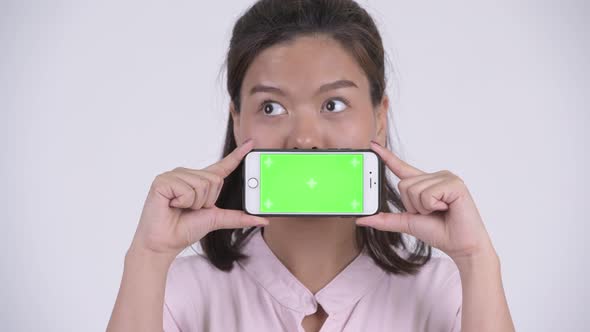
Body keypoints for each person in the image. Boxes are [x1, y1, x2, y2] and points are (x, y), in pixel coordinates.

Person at [107, 0, 515, 331]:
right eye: (271, 106)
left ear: (379, 116)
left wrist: (477, 260)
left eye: (333, 104)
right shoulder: (173, 291)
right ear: (236, 118)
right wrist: (148, 255)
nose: (304, 139)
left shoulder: (451, 291)